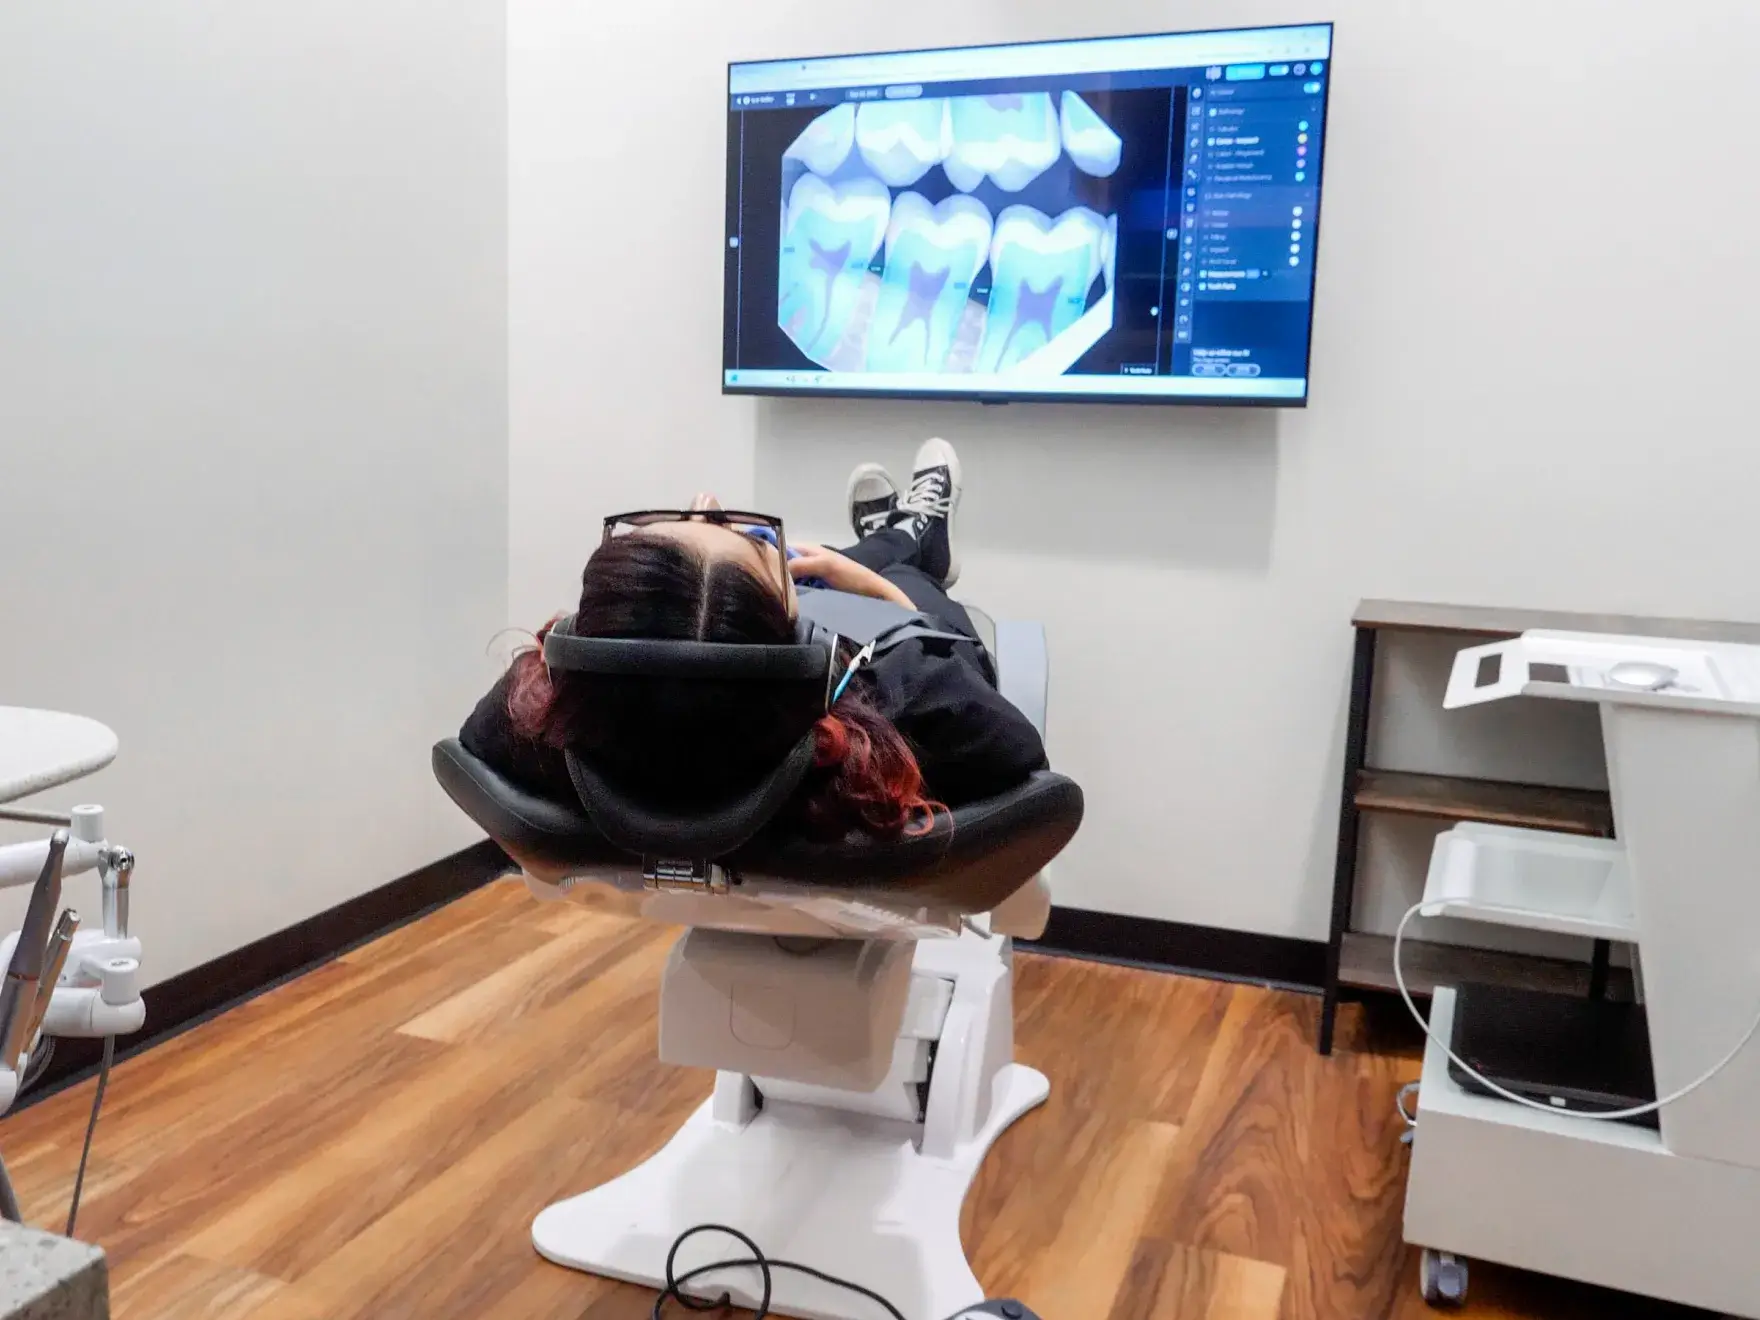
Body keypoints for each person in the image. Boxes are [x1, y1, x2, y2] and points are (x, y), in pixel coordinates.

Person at [459, 438, 1047, 840]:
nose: (707, 503)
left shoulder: (552, 730)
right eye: (757, 545)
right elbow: (1019, 759)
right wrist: (887, 602)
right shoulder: (905, 688)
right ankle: (913, 548)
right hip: (906, 619)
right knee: (891, 575)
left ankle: (897, 534)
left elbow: (478, 736)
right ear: (801, 637)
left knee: (820, 562)